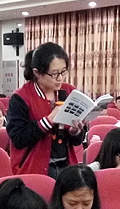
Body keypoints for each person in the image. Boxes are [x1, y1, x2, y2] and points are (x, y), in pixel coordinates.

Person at [7, 42, 84, 177]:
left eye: (63, 72)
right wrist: (48, 121)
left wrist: (75, 132)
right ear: (37, 72)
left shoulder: (69, 91)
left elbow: (77, 141)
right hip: (33, 168)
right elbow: (19, 139)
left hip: (66, 165)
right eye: (54, 74)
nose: (60, 78)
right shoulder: (21, 97)